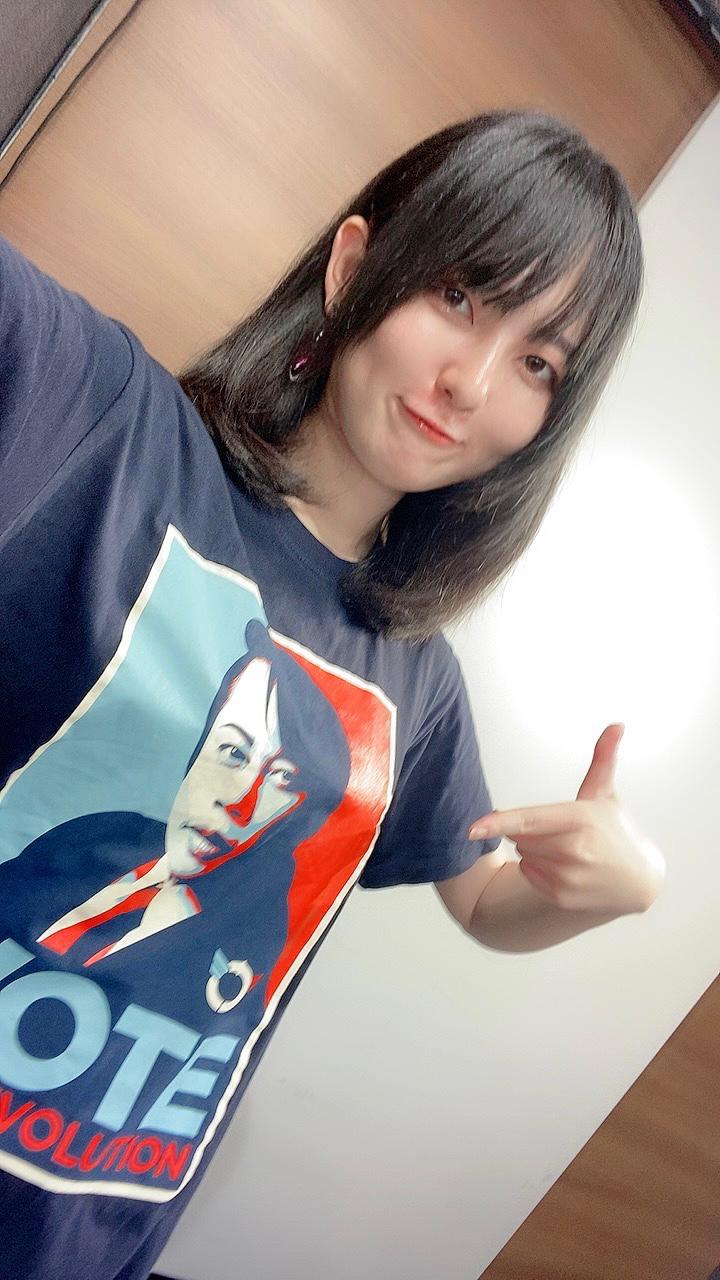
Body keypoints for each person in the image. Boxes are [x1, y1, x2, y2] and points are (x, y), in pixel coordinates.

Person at [0, 107, 647, 1280]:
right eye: (458, 294)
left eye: (538, 363)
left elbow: (485, 897)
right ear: (356, 264)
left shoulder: (418, 683)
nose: (469, 382)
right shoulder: (111, 424)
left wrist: (608, 888)